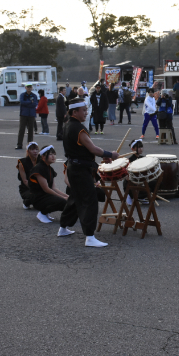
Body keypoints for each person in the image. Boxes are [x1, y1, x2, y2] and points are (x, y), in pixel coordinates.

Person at [59, 97, 120, 247]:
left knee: (75, 198)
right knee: (89, 200)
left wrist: (102, 157)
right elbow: (92, 148)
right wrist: (109, 154)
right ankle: (90, 237)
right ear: (75, 111)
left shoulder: (68, 125)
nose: (86, 113)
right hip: (80, 170)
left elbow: (83, 151)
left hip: (74, 167)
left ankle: (63, 227)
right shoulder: (78, 128)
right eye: (84, 110)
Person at [29, 145, 68, 224]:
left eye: (54, 154)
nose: (53, 156)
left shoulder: (50, 168)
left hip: (46, 196)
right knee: (63, 202)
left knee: (68, 201)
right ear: (43, 156)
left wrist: (66, 196)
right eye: (50, 154)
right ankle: (42, 213)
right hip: (38, 198)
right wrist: (63, 198)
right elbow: (46, 189)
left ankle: (46, 213)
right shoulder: (39, 168)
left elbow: (54, 188)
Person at [17, 142, 39, 209]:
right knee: (36, 195)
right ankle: (26, 201)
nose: (35, 151)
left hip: (39, 186)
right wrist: (36, 189)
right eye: (32, 150)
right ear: (28, 151)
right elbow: (25, 180)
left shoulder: (40, 161)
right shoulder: (22, 163)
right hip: (27, 188)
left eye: (36, 149)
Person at [16, 84, 38, 150]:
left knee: (31, 130)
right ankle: (19, 144)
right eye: (27, 87)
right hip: (23, 114)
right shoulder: (23, 95)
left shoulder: (34, 95)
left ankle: (30, 145)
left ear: (32, 88)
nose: (29, 88)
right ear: (25, 88)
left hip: (31, 114)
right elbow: (22, 102)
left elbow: (34, 104)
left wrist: (28, 103)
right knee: (21, 130)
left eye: (30, 87)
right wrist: (30, 102)